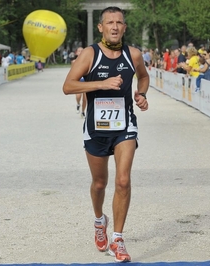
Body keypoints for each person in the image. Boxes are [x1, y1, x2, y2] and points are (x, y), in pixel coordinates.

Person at [62, 6, 149, 263]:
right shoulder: (90, 54)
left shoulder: (133, 54)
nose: (114, 27)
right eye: (109, 22)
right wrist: (101, 83)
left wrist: (142, 94)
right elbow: (68, 86)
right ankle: (99, 220)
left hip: (125, 127)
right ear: (100, 27)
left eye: (119, 22)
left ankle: (118, 239)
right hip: (96, 129)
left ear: (124, 27)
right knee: (99, 183)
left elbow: (143, 77)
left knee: (123, 181)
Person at [71, 47, 87, 118]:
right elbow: (72, 71)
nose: (80, 52)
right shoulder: (74, 62)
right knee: (78, 95)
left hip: (86, 81)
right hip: (78, 80)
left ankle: (83, 112)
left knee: (85, 99)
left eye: (82, 51)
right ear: (76, 53)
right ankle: (78, 104)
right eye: (79, 51)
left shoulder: (88, 60)